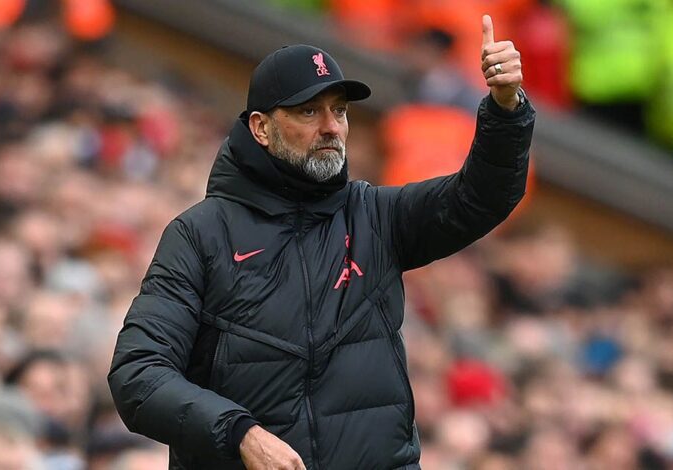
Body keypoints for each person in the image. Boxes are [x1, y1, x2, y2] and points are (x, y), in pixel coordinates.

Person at [108, 15, 534, 470]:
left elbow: (481, 197)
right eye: (309, 111)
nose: (332, 127)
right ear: (261, 128)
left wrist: (505, 107)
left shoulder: (375, 216)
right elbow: (138, 375)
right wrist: (240, 434)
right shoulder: (200, 234)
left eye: (340, 110)